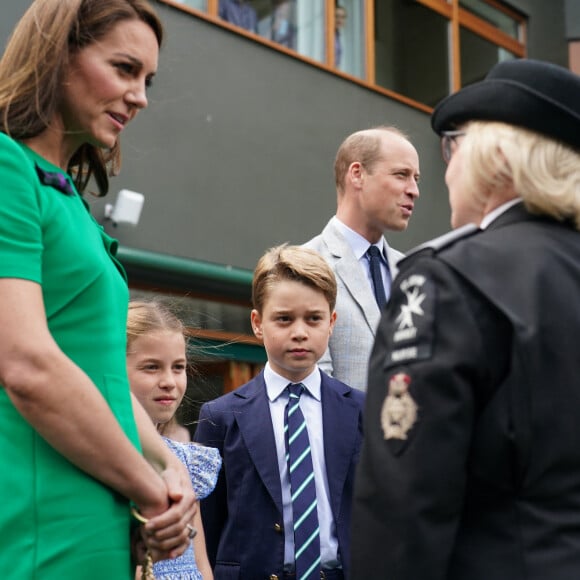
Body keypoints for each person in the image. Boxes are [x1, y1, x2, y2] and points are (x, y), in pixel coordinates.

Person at [351, 58, 580, 580]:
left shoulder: (450, 280)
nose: (445, 170)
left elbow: (404, 507)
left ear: (494, 156)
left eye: (451, 146)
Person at [0, 1, 197, 577]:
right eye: (124, 69)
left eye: (148, 80)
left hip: (99, 523)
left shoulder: (68, 200)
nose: (140, 96)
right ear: (58, 57)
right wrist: (150, 490)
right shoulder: (8, 168)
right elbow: (27, 365)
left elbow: (101, 374)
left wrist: (168, 464)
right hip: (43, 528)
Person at [194, 244, 365, 579]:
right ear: (257, 323)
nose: (299, 332)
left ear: (331, 322)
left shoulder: (361, 411)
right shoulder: (220, 417)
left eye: (313, 318)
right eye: (284, 319)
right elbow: (206, 526)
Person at [303, 127, 420, 391]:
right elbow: (313, 389)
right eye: (401, 174)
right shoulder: (303, 266)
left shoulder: (416, 271)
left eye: (416, 178)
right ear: (357, 174)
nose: (414, 190)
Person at [126, 301, 222, 580]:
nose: (169, 381)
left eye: (178, 367)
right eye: (151, 367)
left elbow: (202, 563)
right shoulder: (105, 460)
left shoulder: (187, 460)